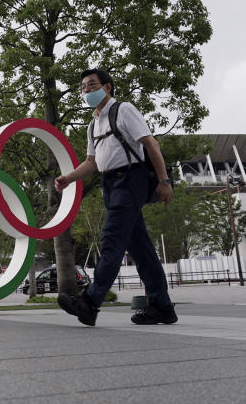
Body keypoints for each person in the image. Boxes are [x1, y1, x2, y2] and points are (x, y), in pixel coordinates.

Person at [54, 68, 177, 326]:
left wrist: (164, 181)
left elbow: (150, 144)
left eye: (91, 85)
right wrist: (69, 178)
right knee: (141, 250)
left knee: (111, 241)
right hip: (110, 184)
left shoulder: (124, 110)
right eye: (83, 87)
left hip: (130, 180)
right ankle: (162, 307)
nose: (86, 90)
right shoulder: (92, 124)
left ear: (107, 87)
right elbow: (91, 162)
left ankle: (89, 301)